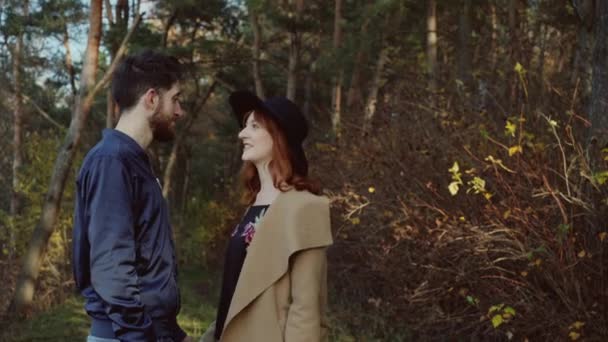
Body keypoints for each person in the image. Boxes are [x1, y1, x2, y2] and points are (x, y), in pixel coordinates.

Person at [72, 50, 193, 342]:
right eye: (175, 99)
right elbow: (112, 268)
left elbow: (146, 263)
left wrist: (171, 334)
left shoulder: (132, 162)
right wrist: (140, 336)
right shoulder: (112, 162)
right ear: (151, 99)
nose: (180, 111)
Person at [200, 91, 333, 342]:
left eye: (254, 126)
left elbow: (305, 309)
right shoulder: (254, 204)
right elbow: (235, 291)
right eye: (244, 126)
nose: (242, 134)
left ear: (278, 136)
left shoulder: (306, 208)